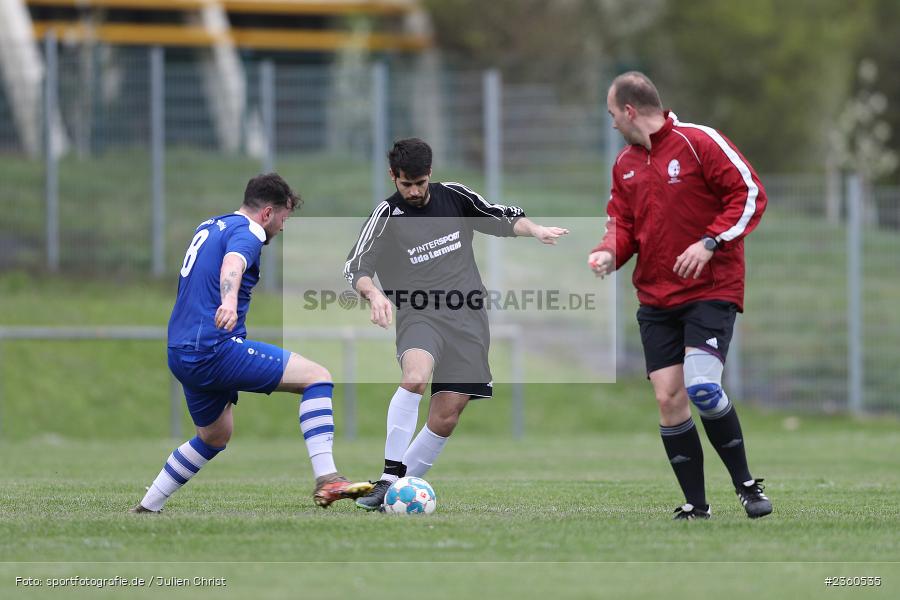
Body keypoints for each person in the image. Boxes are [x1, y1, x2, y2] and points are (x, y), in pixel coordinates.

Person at [345, 138, 569, 510]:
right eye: (406, 184)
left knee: (446, 417)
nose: (414, 191)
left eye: (420, 182)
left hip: (469, 319)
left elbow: (501, 217)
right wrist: (375, 295)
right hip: (420, 315)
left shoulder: (454, 197)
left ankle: (392, 494)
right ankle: (388, 478)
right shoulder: (386, 215)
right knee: (415, 377)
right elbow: (356, 267)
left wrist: (536, 230)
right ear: (393, 177)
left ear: (430, 174)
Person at [588, 72, 772, 520]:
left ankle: (746, 486)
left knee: (703, 387)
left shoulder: (698, 141)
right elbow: (623, 224)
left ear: (629, 110)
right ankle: (697, 505)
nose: (612, 123)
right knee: (669, 398)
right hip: (655, 299)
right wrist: (609, 252)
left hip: (710, 290)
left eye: (612, 113)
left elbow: (749, 194)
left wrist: (710, 242)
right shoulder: (625, 164)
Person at [130, 173, 372, 513]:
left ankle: (147, 507)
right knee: (317, 377)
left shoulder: (212, 225)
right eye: (284, 219)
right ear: (268, 213)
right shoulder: (250, 231)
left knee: (214, 436)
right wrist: (228, 302)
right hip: (214, 347)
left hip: (181, 350)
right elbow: (234, 263)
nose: (283, 228)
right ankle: (328, 479)